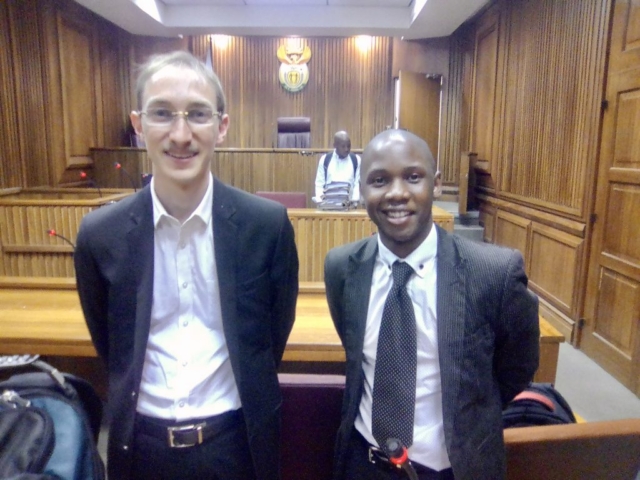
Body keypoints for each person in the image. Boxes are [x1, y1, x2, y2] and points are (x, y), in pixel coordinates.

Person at [74, 51, 299, 480]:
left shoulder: (266, 227)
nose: (181, 135)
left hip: (237, 445)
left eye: (197, 114)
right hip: (140, 448)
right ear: (139, 124)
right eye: (162, 113)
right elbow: (113, 347)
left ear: (222, 126)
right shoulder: (99, 235)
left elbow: (271, 338)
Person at [324, 129, 539, 480]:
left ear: (436, 184)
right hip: (363, 463)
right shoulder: (342, 268)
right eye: (379, 180)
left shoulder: (493, 273)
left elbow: (517, 367)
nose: (396, 193)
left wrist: (472, 414)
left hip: (454, 469)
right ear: (361, 189)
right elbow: (354, 356)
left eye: (413, 177)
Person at [313, 131, 361, 205]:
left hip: (349, 205)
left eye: (349, 146)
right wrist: (320, 203)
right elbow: (319, 183)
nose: (346, 149)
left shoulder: (356, 160)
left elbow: (357, 184)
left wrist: (354, 203)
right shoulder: (325, 159)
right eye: (343, 146)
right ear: (335, 145)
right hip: (328, 205)